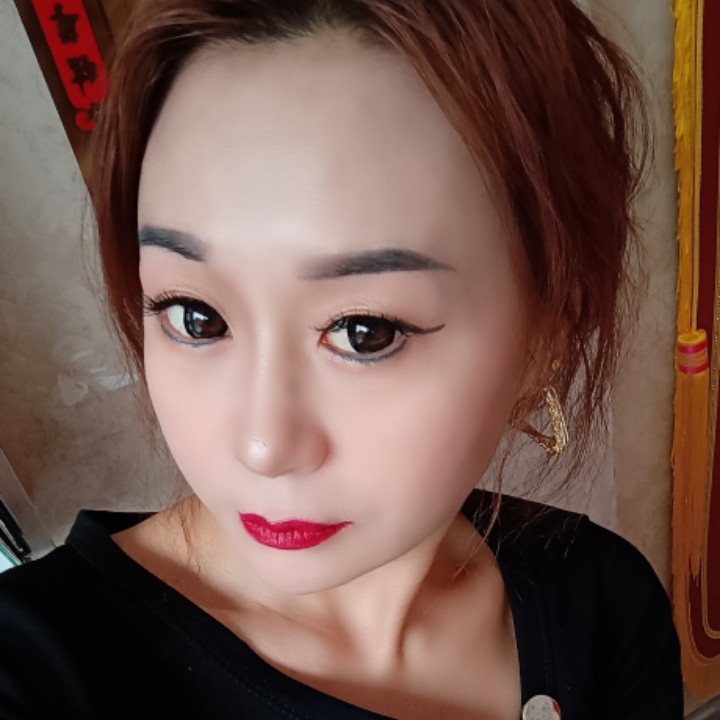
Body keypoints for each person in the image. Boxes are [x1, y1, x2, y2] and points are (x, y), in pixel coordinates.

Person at [0, 0, 683, 718]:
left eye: (365, 332)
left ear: (547, 335)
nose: (264, 447)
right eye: (196, 317)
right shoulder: (38, 667)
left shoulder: (603, 607)